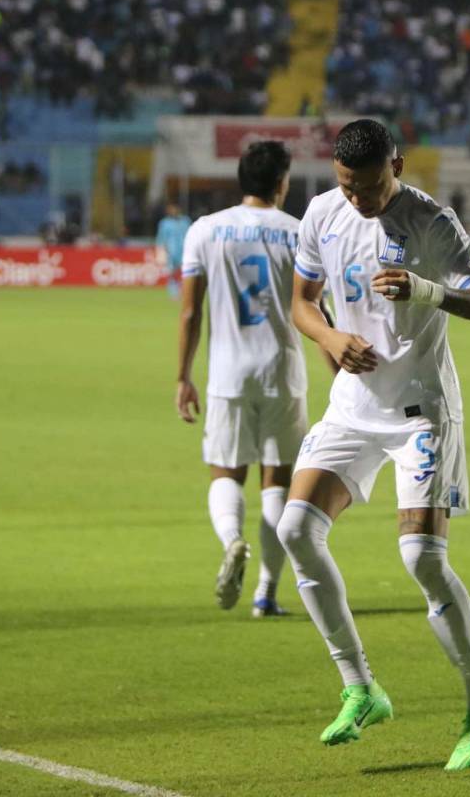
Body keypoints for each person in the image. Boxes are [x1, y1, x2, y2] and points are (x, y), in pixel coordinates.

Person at [275, 119, 470, 770]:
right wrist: (329, 338)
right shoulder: (322, 213)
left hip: (420, 412)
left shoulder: (431, 221)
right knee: (295, 529)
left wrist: (426, 289)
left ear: (397, 167)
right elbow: (301, 304)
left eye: (370, 186)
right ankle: (361, 687)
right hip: (354, 407)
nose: (358, 199)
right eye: (348, 186)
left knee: (422, 559)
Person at [174, 141, 309, 618]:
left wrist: (183, 376)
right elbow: (314, 307)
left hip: (228, 374)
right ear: (281, 183)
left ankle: (233, 540)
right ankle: (266, 592)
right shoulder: (298, 233)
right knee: (277, 482)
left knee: (226, 472)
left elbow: (190, 312)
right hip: (282, 371)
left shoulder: (205, 230)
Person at [157, 201, 192, 301]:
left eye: (175, 209)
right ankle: (173, 293)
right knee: (171, 273)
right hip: (171, 252)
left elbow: (191, 235)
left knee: (186, 272)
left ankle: (184, 291)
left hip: (185, 251)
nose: (173, 211)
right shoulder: (164, 223)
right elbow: (161, 238)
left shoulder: (186, 221)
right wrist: (161, 251)